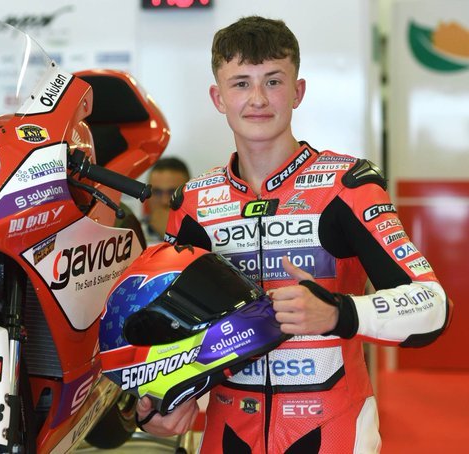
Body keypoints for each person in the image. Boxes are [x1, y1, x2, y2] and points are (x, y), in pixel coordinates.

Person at [135, 16, 452, 453]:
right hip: (227, 430)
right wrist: (161, 400)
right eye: (241, 83)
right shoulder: (193, 203)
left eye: (273, 81)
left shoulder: (347, 187)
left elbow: (433, 306)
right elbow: (172, 333)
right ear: (218, 97)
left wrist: (338, 313)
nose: (258, 99)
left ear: (298, 91)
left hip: (333, 426)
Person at [142, 157, 190, 245]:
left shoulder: (206, 233)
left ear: (190, 193)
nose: (164, 201)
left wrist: (171, 234)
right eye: (157, 192)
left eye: (173, 192)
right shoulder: (132, 233)